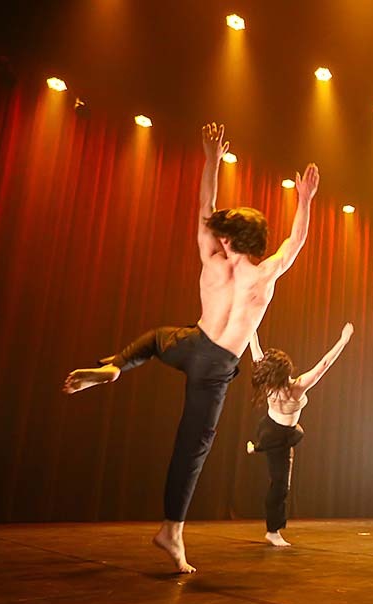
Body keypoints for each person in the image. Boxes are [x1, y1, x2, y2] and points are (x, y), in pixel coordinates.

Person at [62, 123, 320, 573]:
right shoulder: (263, 276)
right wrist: (304, 201)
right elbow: (295, 241)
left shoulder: (211, 260)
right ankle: (172, 530)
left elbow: (205, 207)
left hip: (191, 342)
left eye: (223, 235)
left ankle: (117, 366)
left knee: (159, 338)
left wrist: (212, 161)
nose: (218, 238)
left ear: (229, 240)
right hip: (217, 365)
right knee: (192, 447)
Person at [245, 323, 354, 547]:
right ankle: (272, 531)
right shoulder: (297, 387)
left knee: (276, 443)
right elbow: (324, 364)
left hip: (268, 428)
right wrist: (343, 341)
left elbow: (253, 344)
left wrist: (250, 321)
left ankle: (256, 446)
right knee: (280, 485)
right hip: (279, 437)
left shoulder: (268, 382)